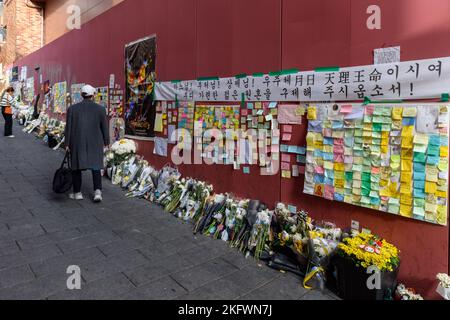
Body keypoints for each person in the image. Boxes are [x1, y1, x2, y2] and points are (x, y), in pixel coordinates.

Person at [65, 84, 110, 202]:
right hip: (95, 141)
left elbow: (68, 128)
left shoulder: (72, 109)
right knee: (96, 166)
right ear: (93, 95)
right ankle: (97, 192)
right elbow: (104, 127)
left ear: (81, 95)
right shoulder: (100, 109)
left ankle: (77, 192)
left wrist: (67, 144)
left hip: (77, 141)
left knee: (76, 166)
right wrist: (106, 141)